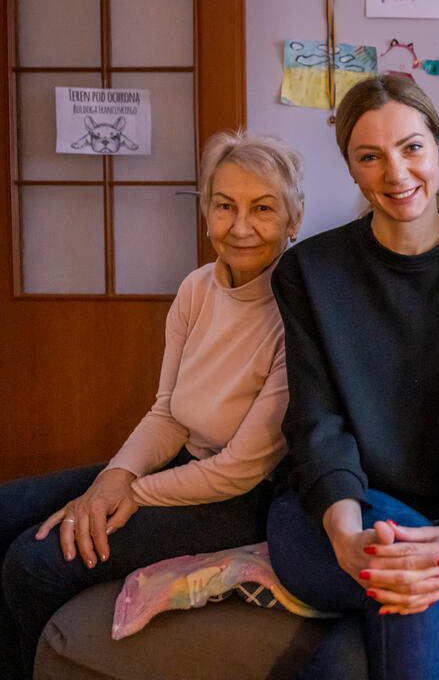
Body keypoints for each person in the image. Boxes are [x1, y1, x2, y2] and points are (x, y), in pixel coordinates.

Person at [0, 131, 305, 679]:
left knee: (33, 562)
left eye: (262, 208)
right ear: (205, 212)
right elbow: (166, 412)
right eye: (224, 206)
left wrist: (133, 493)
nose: (240, 227)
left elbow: (240, 469)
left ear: (293, 218)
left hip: (245, 496)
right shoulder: (195, 289)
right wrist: (114, 476)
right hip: (183, 463)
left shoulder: (298, 312)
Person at [266, 74, 439, 680]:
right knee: (420, 582)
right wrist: (344, 534)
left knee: (351, 658)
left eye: (412, 147)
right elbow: (317, 422)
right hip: (327, 513)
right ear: (352, 170)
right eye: (371, 157)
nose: (396, 173)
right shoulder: (310, 271)